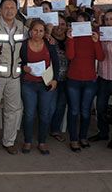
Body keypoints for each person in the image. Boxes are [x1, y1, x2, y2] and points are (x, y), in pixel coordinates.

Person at [0, 0, 27, 156]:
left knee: (13, 110)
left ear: (16, 10)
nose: (9, 10)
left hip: (14, 78)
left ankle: (9, 141)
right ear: (0, 10)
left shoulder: (22, 27)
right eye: (6, 8)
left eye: (12, 7)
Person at [65, 12, 104, 152]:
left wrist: (96, 42)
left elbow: (100, 57)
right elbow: (70, 56)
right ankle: (74, 139)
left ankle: (83, 137)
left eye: (83, 23)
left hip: (90, 80)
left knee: (86, 111)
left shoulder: (93, 37)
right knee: (74, 110)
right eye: (78, 23)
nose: (80, 26)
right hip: (74, 79)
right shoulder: (73, 38)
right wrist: (69, 40)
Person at [20, 19, 59, 155]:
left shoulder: (49, 44)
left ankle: (42, 142)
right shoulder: (24, 45)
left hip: (46, 84)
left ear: (44, 32)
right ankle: (28, 141)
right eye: (35, 30)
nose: (38, 33)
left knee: (44, 114)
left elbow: (56, 62)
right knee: (29, 114)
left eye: (41, 31)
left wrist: (55, 80)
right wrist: (22, 68)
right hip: (28, 84)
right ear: (30, 31)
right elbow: (18, 62)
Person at [91, 9, 112, 149]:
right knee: (100, 107)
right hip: (103, 77)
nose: (109, 22)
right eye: (107, 19)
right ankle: (103, 132)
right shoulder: (100, 35)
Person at [49, 14, 69, 142]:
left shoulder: (70, 40)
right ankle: (44, 126)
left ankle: (55, 129)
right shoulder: (48, 40)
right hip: (51, 78)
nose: (59, 27)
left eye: (63, 24)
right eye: (57, 24)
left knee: (61, 104)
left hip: (67, 78)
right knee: (50, 105)